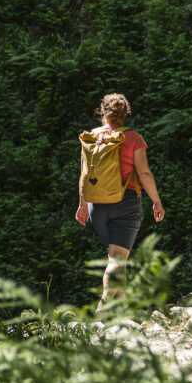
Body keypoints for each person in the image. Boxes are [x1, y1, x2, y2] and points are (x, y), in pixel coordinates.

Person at [75, 93, 165, 300]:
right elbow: (144, 173)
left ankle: (120, 314)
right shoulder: (133, 137)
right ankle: (103, 307)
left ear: (103, 112)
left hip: (96, 206)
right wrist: (156, 201)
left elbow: (84, 175)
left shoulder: (90, 138)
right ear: (125, 114)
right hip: (125, 202)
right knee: (118, 259)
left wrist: (82, 205)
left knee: (116, 257)